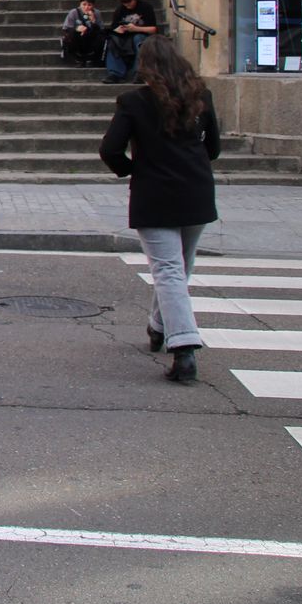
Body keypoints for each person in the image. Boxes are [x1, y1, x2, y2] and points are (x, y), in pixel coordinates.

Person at [100, 36, 220, 383]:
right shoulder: (200, 96)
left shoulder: (134, 101)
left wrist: (131, 168)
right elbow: (213, 147)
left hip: (154, 192)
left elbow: (109, 149)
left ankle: (184, 346)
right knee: (178, 270)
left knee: (169, 271)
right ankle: (158, 325)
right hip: (196, 191)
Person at [103, 0, 161, 84]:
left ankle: (140, 72)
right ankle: (115, 73)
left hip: (141, 35)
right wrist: (120, 29)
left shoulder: (146, 7)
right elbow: (113, 28)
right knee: (112, 40)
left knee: (139, 39)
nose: (128, 5)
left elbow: (153, 29)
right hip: (124, 37)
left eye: (129, 2)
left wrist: (136, 28)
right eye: (125, 3)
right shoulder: (120, 10)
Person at [61, 0, 105, 66]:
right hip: (78, 38)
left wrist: (93, 22)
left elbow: (101, 30)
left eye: (89, 5)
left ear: (93, 5)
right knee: (70, 36)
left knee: (100, 37)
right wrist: (76, 28)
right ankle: (76, 58)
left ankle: (92, 58)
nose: (86, 7)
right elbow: (66, 28)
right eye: (84, 4)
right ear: (80, 4)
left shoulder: (97, 13)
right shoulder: (74, 12)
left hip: (91, 38)